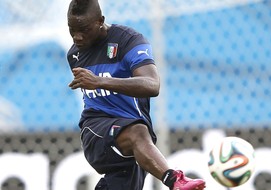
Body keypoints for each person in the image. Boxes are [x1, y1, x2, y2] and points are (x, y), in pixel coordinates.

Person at [66, 0, 206, 189]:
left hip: (134, 141)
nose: (77, 37)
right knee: (137, 132)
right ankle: (174, 180)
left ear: (100, 21)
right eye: (72, 29)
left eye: (83, 29)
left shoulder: (128, 41)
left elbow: (152, 85)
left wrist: (99, 81)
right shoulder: (75, 55)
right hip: (96, 130)